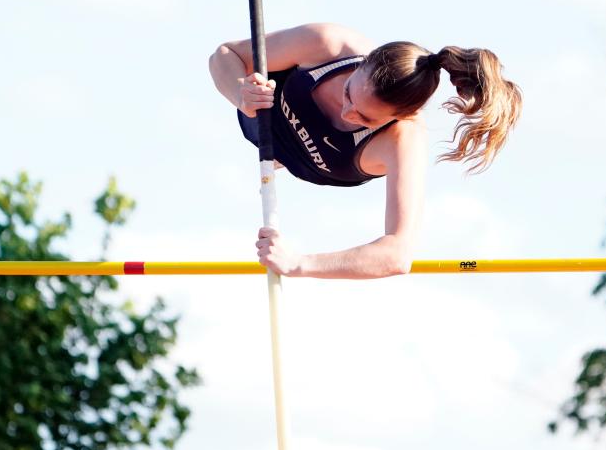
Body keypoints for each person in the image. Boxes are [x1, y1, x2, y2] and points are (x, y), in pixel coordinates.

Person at [209, 22, 522, 279]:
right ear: (362, 63)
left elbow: (397, 253)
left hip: (321, 166)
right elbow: (224, 55)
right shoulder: (328, 45)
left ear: (400, 117)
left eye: (365, 118)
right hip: (264, 115)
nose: (347, 114)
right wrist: (240, 93)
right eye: (348, 94)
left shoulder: (404, 139)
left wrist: (298, 263)